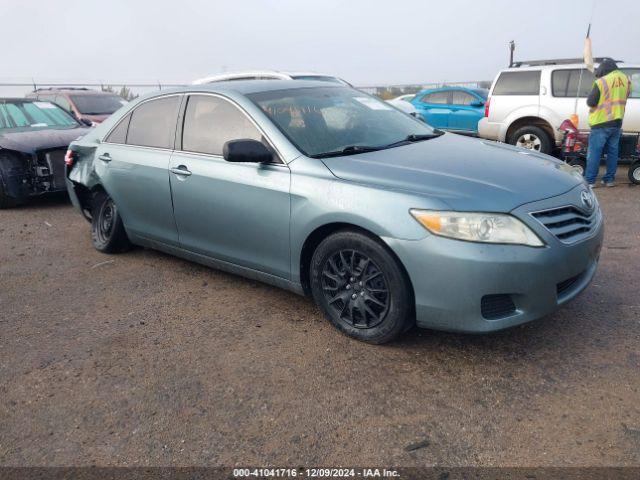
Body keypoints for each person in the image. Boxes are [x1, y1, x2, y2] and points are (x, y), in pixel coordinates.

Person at [585, 58, 631, 187]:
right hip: (617, 122)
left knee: (594, 152)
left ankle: (590, 181)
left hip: (601, 122)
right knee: (613, 152)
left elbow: (591, 102)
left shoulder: (601, 81)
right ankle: (609, 180)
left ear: (604, 69)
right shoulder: (626, 80)